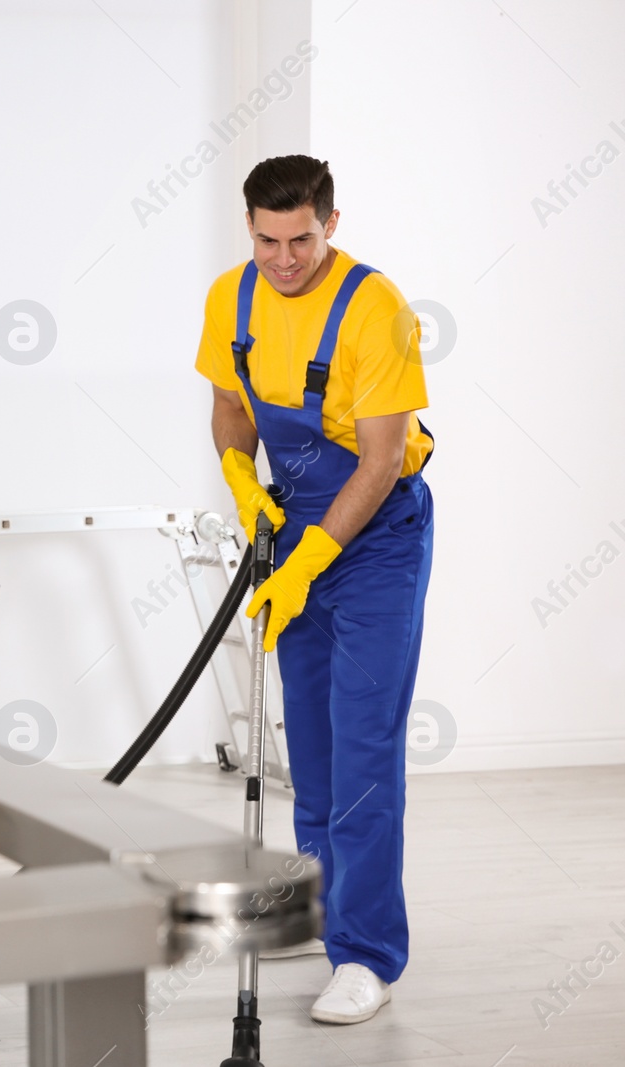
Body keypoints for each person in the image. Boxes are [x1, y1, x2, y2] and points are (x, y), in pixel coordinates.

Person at [195, 155, 434, 1024]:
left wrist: (308, 563)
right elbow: (231, 406)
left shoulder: (377, 309)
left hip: (375, 542)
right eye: (267, 239)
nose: (284, 258)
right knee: (316, 746)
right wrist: (238, 474)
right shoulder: (234, 295)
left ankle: (367, 953)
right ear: (249, 228)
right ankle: (320, 906)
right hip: (291, 525)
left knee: (365, 744)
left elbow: (378, 462)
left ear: (331, 223)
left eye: (301, 239)